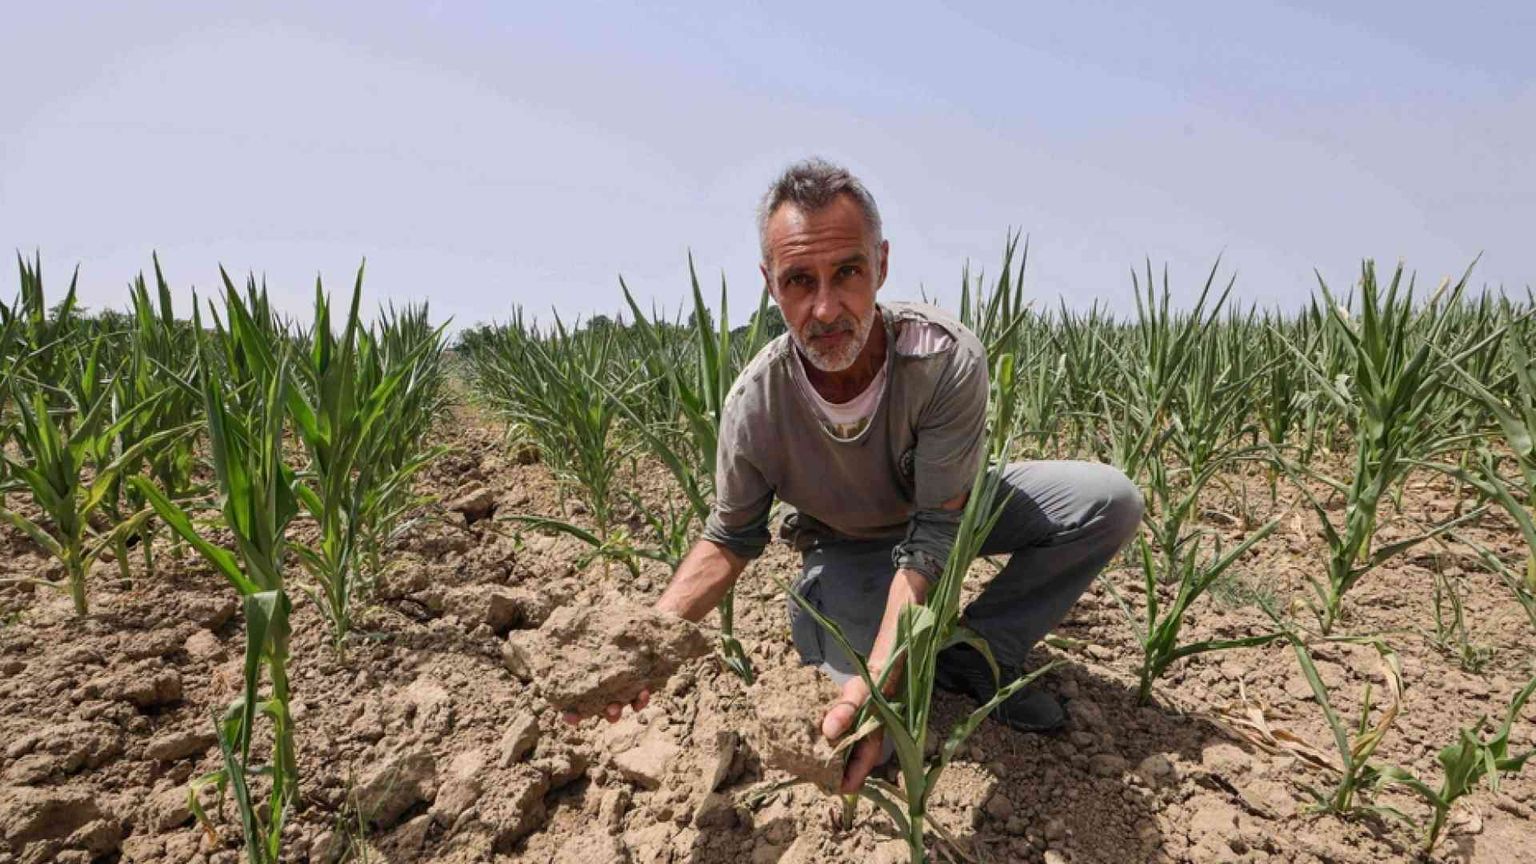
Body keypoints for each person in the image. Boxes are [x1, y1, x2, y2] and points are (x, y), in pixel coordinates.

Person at [578, 158, 1142, 794]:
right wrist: (646, 645)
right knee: (859, 726)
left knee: (1108, 501)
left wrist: (884, 671)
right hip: (850, 545)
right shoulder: (756, 407)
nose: (825, 307)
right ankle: (856, 639)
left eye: (847, 271)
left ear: (882, 263)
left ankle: (981, 652)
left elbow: (937, 533)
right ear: (771, 285)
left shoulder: (940, 361)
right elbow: (731, 538)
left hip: (946, 514)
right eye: (799, 280)